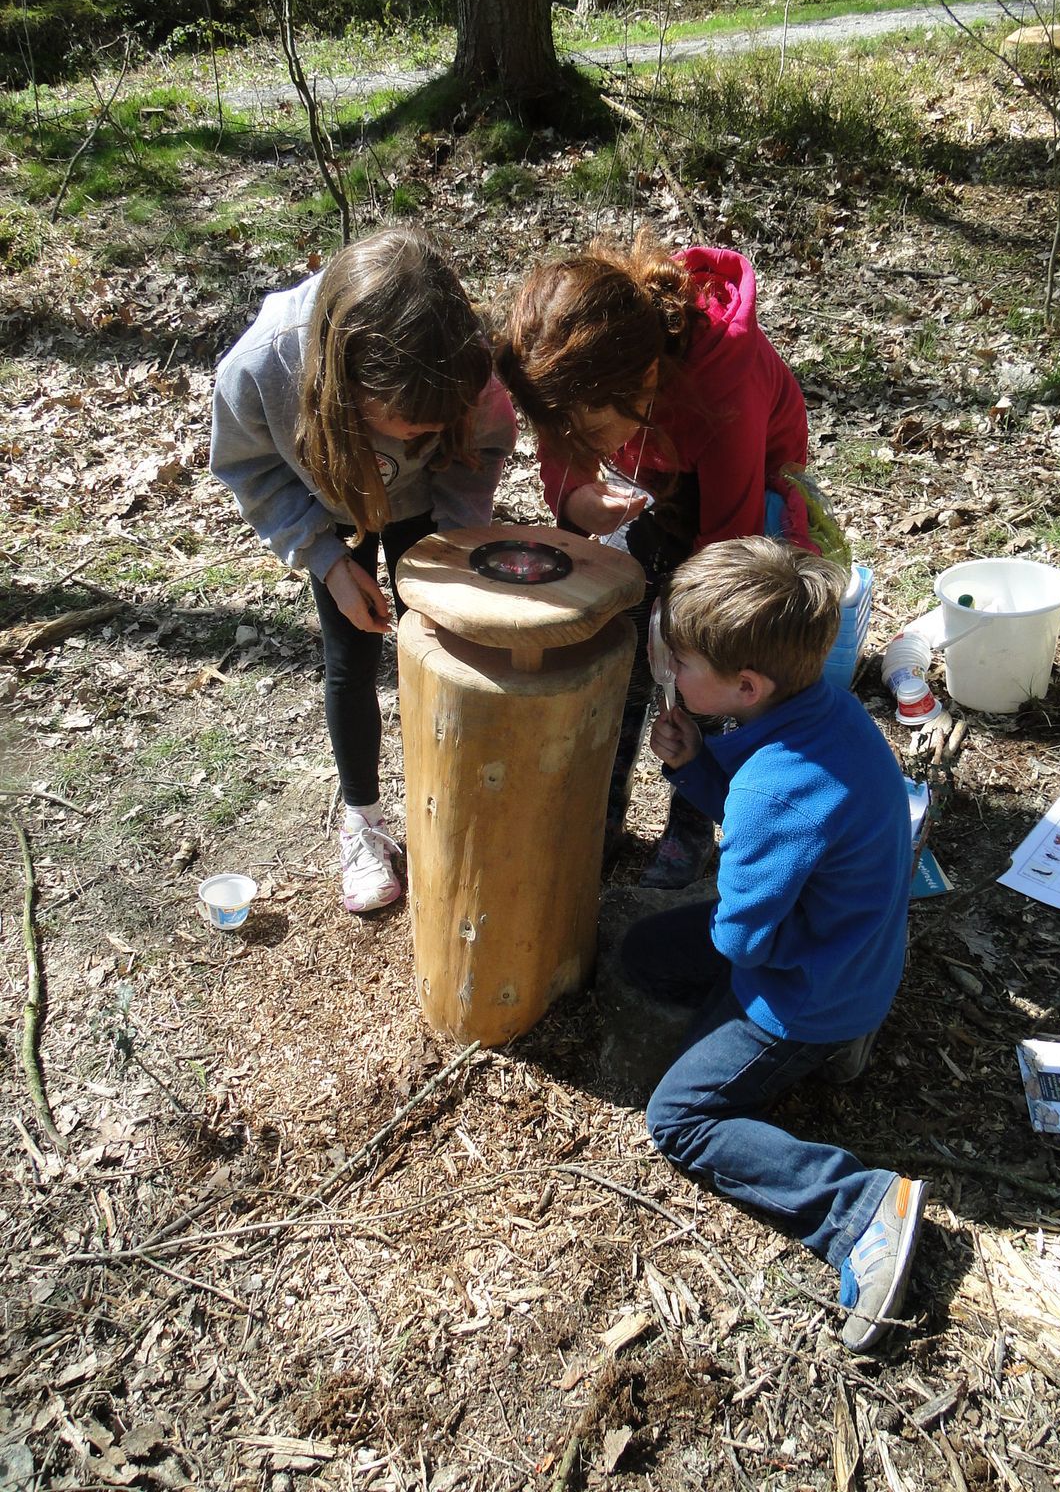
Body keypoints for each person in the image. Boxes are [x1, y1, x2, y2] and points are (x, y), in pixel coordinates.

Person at [621, 537, 927, 1353]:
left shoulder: (769, 792)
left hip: (812, 988)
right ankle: (830, 1040)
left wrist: (734, 929)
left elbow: (742, 933)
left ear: (744, 685)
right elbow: (786, 820)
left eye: (681, 662)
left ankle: (859, 1210)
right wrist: (695, 767)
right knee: (644, 957)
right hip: (850, 945)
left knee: (680, 1118)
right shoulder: (822, 713)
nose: (671, 674)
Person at [498, 228, 842, 888]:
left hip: (752, 508)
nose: (576, 441)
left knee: (714, 660)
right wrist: (578, 504)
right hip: (663, 477)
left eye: (591, 432)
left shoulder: (723, 383)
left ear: (646, 380)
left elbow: (732, 546)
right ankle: (600, 814)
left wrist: (681, 627)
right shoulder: (590, 384)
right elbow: (562, 450)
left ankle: (695, 815)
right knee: (624, 646)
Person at [210, 227, 517, 913]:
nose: (411, 438)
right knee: (351, 654)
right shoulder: (263, 368)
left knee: (437, 646)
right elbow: (248, 468)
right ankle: (363, 820)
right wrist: (323, 558)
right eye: (401, 424)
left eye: (430, 427)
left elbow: (484, 447)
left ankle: (446, 797)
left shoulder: (468, 365)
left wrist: (453, 542)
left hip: (427, 507)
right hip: (331, 509)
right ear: (342, 379)